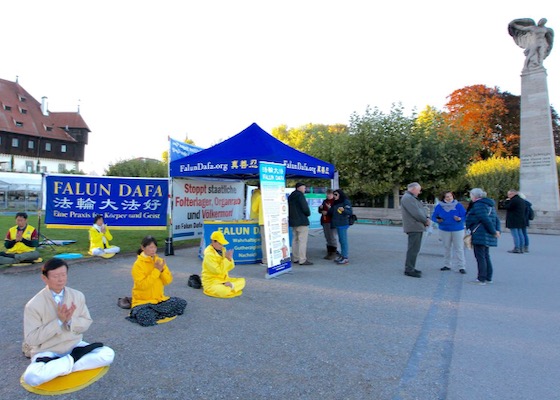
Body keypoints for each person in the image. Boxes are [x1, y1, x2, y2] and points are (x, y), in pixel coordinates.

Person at [22, 258, 115, 387]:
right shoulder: (33, 305)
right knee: (31, 377)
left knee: (108, 354)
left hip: (74, 344)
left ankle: (61, 365)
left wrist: (70, 320)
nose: (60, 279)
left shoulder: (77, 296)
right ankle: (73, 360)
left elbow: (87, 322)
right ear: (44, 278)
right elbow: (31, 339)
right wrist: (59, 321)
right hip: (48, 350)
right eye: (55, 276)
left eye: (63, 275)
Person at [127, 236, 187, 326]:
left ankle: (157, 312)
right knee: (146, 317)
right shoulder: (137, 265)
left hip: (159, 299)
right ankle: (157, 312)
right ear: (143, 248)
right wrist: (156, 271)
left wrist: (162, 270)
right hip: (143, 301)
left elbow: (168, 281)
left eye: (155, 247)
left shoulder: (159, 261)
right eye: (150, 247)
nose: (153, 250)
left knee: (181, 303)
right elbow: (142, 285)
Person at [465, 188, 501, 285]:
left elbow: (484, 219)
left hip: (480, 233)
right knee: (485, 256)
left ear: (475, 196)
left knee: (480, 256)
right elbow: (496, 219)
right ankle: (488, 277)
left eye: (471, 195)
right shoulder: (490, 205)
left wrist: (493, 231)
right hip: (486, 233)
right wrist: (497, 231)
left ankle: (481, 278)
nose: (470, 197)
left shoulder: (479, 204)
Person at [201, 230, 245, 298]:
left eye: (222, 244)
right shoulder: (208, 255)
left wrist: (230, 259)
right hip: (212, 282)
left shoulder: (223, 250)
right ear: (213, 242)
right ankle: (231, 287)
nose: (222, 246)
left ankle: (231, 286)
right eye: (220, 244)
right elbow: (217, 271)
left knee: (243, 281)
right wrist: (226, 259)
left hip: (224, 279)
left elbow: (231, 266)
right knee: (223, 291)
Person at [431, 191, 467, 274]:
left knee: (459, 248)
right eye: (447, 197)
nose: (449, 198)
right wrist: (437, 220)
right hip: (444, 228)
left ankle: (461, 266)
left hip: (457, 229)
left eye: (450, 196)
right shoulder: (439, 206)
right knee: (447, 247)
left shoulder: (458, 205)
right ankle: (447, 265)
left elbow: (465, 215)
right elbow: (434, 216)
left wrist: (460, 219)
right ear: (443, 198)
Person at [401, 182, 431, 278]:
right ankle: (409, 269)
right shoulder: (408, 198)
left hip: (416, 226)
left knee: (415, 248)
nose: (419, 192)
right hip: (414, 226)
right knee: (413, 249)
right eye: (418, 190)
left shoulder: (411, 198)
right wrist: (425, 220)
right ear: (413, 189)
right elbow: (416, 213)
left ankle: (411, 267)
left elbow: (420, 210)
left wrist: (426, 217)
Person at [288, 182, 313, 265]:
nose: (305, 190)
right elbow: (305, 208)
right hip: (302, 221)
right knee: (302, 241)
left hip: (293, 221)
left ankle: (295, 258)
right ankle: (302, 259)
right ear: (299, 188)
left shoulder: (291, 196)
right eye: (304, 188)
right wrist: (308, 213)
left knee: (295, 240)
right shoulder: (300, 195)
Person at [327, 189, 353, 265]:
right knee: (341, 241)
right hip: (337, 223)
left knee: (343, 240)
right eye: (333, 194)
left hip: (343, 223)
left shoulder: (345, 201)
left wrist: (344, 210)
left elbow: (350, 212)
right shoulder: (335, 202)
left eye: (336, 194)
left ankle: (345, 257)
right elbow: (331, 212)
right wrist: (328, 209)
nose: (334, 196)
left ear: (340, 195)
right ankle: (342, 256)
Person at [503, 189, 526, 254]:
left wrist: (506, 202)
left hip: (513, 219)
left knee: (515, 234)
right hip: (520, 219)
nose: (508, 196)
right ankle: (521, 248)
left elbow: (507, 207)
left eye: (509, 194)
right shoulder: (521, 200)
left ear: (513, 194)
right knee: (520, 233)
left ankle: (517, 247)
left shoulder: (513, 200)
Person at [318, 189, 338, 260]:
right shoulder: (325, 201)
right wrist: (320, 209)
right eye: (327, 194)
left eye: (329, 194)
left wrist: (328, 211)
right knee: (327, 236)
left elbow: (336, 212)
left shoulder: (335, 202)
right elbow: (321, 210)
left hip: (331, 221)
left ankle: (334, 252)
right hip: (324, 221)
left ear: (333, 194)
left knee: (332, 237)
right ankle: (329, 251)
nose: (328, 195)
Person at [250, 186, 267, 266]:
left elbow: (254, 209)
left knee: (265, 241)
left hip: (263, 221)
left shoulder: (260, 197)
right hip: (273, 221)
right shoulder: (274, 196)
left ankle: (265, 260)